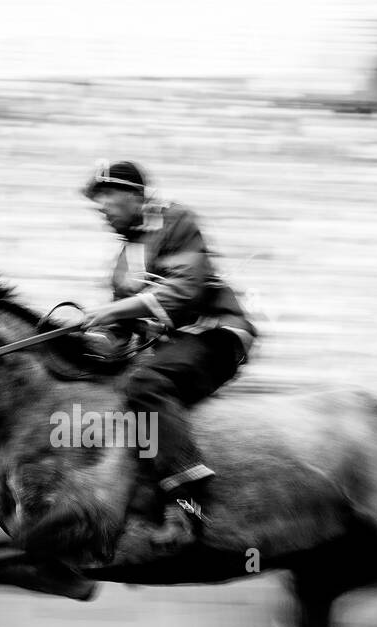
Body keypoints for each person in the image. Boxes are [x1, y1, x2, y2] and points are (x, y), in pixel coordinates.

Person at [77, 160, 257, 549]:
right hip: (173, 347)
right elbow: (118, 340)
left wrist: (113, 311)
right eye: (97, 202)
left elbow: (183, 291)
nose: (102, 208)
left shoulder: (176, 220)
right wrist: (79, 340)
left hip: (215, 334)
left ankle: (191, 503)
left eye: (107, 196)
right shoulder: (122, 263)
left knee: (146, 383)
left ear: (136, 195)